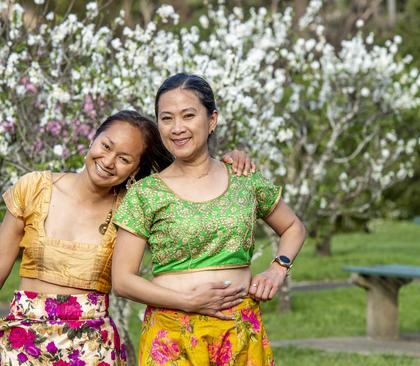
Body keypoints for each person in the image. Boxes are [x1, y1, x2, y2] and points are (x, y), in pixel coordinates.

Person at [0, 110, 255, 365]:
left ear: (135, 170)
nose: (108, 161)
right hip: (24, 339)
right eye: (106, 146)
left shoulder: (135, 205)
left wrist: (220, 163)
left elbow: (190, 196)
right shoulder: (34, 187)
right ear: (92, 140)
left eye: (124, 158)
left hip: (91, 346)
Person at [111, 74, 306, 365]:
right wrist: (189, 302)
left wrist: (278, 270)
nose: (177, 128)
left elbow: (293, 227)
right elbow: (123, 281)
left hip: (239, 333)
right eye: (166, 118)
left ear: (211, 119)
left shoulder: (243, 177)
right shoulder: (145, 193)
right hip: (172, 338)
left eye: (188, 115)